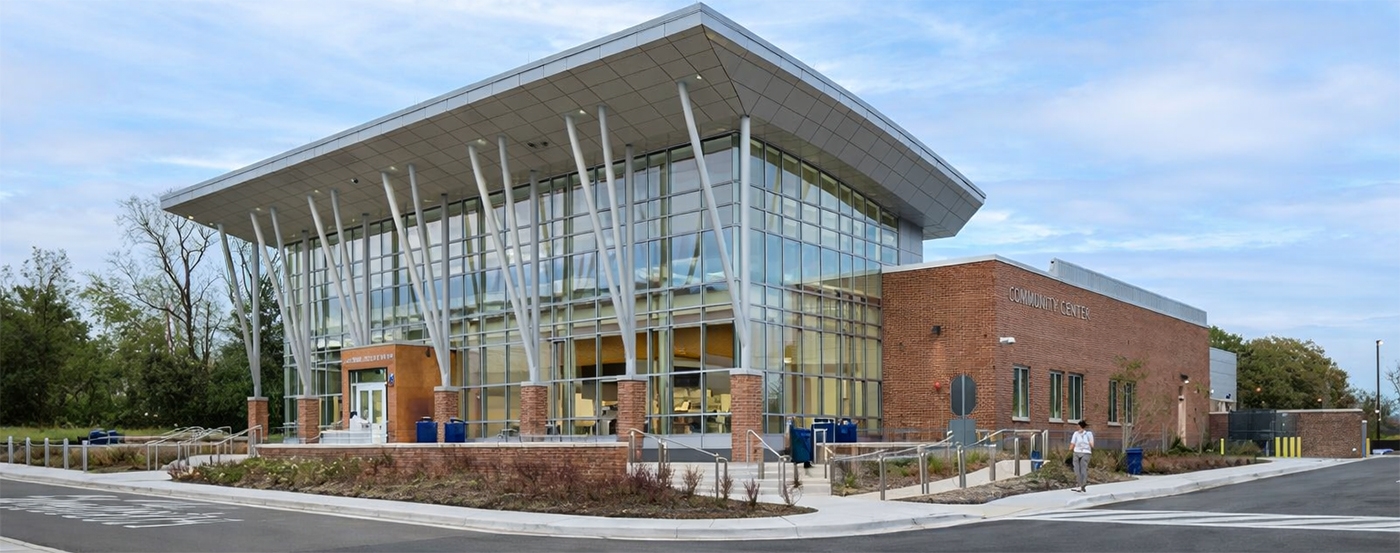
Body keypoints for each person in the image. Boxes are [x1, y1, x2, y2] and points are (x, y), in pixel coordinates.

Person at [1070, 419, 1094, 492]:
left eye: (1078, 425)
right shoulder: (1078, 434)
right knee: (1080, 468)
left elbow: (1072, 444)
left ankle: (1081, 484)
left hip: (1082, 452)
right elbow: (1092, 445)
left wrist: (1070, 450)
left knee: (1080, 468)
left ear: (1080, 426)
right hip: (1081, 452)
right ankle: (1081, 484)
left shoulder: (1085, 434)